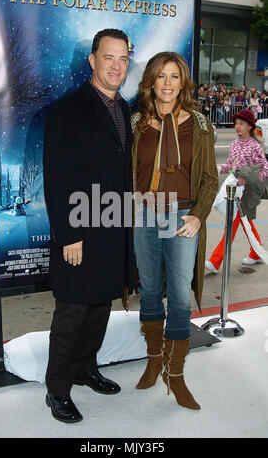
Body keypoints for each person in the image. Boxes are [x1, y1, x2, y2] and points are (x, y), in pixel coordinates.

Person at [43, 28, 134, 423]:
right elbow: (57, 178)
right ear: (93, 60)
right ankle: (57, 389)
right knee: (73, 313)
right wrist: (69, 235)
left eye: (123, 59)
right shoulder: (68, 109)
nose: (116, 66)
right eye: (108, 58)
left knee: (100, 307)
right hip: (80, 230)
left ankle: (85, 368)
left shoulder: (124, 107)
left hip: (113, 229)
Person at [131, 52, 218, 410]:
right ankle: (154, 360)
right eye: (161, 76)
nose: (167, 83)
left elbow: (211, 179)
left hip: (181, 216)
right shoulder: (137, 122)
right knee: (149, 291)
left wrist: (198, 215)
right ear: (151, 81)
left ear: (183, 83)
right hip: (143, 215)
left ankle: (176, 374)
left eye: (174, 76)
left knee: (179, 298)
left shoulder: (199, 124)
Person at [205, 109, 268, 274]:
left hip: (246, 191)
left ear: (249, 126)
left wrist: (247, 179)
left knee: (232, 224)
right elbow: (230, 166)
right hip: (233, 187)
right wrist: (217, 169)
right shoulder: (234, 144)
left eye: (241, 124)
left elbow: (264, 169)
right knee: (246, 223)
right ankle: (256, 252)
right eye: (236, 124)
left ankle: (215, 261)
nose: (237, 127)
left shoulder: (255, 146)